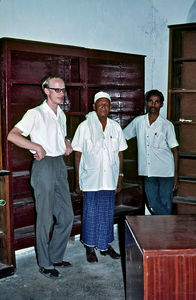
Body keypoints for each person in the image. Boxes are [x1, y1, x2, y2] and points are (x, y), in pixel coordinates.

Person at [7, 75, 74, 279]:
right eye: (57, 90)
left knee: (67, 216)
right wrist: (35, 146)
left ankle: (54, 256)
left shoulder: (61, 114)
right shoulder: (34, 113)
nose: (61, 94)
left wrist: (67, 142)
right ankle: (45, 264)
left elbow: (60, 136)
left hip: (59, 165)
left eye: (63, 90)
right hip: (43, 166)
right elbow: (13, 135)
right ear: (46, 90)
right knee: (45, 217)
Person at [72, 91, 127, 263]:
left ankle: (104, 246)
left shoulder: (115, 127)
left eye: (107, 104)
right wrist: (78, 180)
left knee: (107, 212)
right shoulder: (84, 126)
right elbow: (78, 155)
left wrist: (120, 177)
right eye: (100, 104)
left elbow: (120, 154)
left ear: (110, 107)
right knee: (91, 213)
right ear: (94, 106)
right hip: (90, 179)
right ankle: (89, 247)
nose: (103, 107)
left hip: (109, 178)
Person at [123, 89, 179, 215]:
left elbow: (175, 150)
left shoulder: (166, 125)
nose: (153, 105)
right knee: (152, 204)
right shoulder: (138, 122)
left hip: (166, 172)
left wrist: (176, 176)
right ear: (146, 103)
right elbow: (123, 136)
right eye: (150, 101)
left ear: (161, 104)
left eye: (157, 102)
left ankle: (165, 231)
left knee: (165, 203)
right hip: (148, 171)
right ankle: (168, 225)